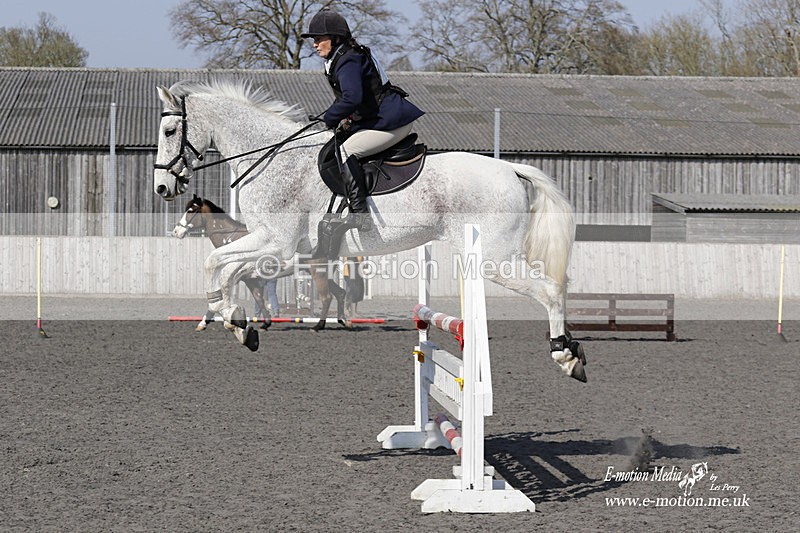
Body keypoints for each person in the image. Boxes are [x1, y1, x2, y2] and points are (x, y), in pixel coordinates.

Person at [302, 9, 424, 232]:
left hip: (391, 122)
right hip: (379, 119)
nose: (314, 44)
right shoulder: (343, 56)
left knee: (346, 151)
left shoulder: (348, 59)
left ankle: (361, 215)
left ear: (335, 38)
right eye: (314, 39)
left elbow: (352, 97)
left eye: (319, 38)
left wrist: (329, 117)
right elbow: (359, 101)